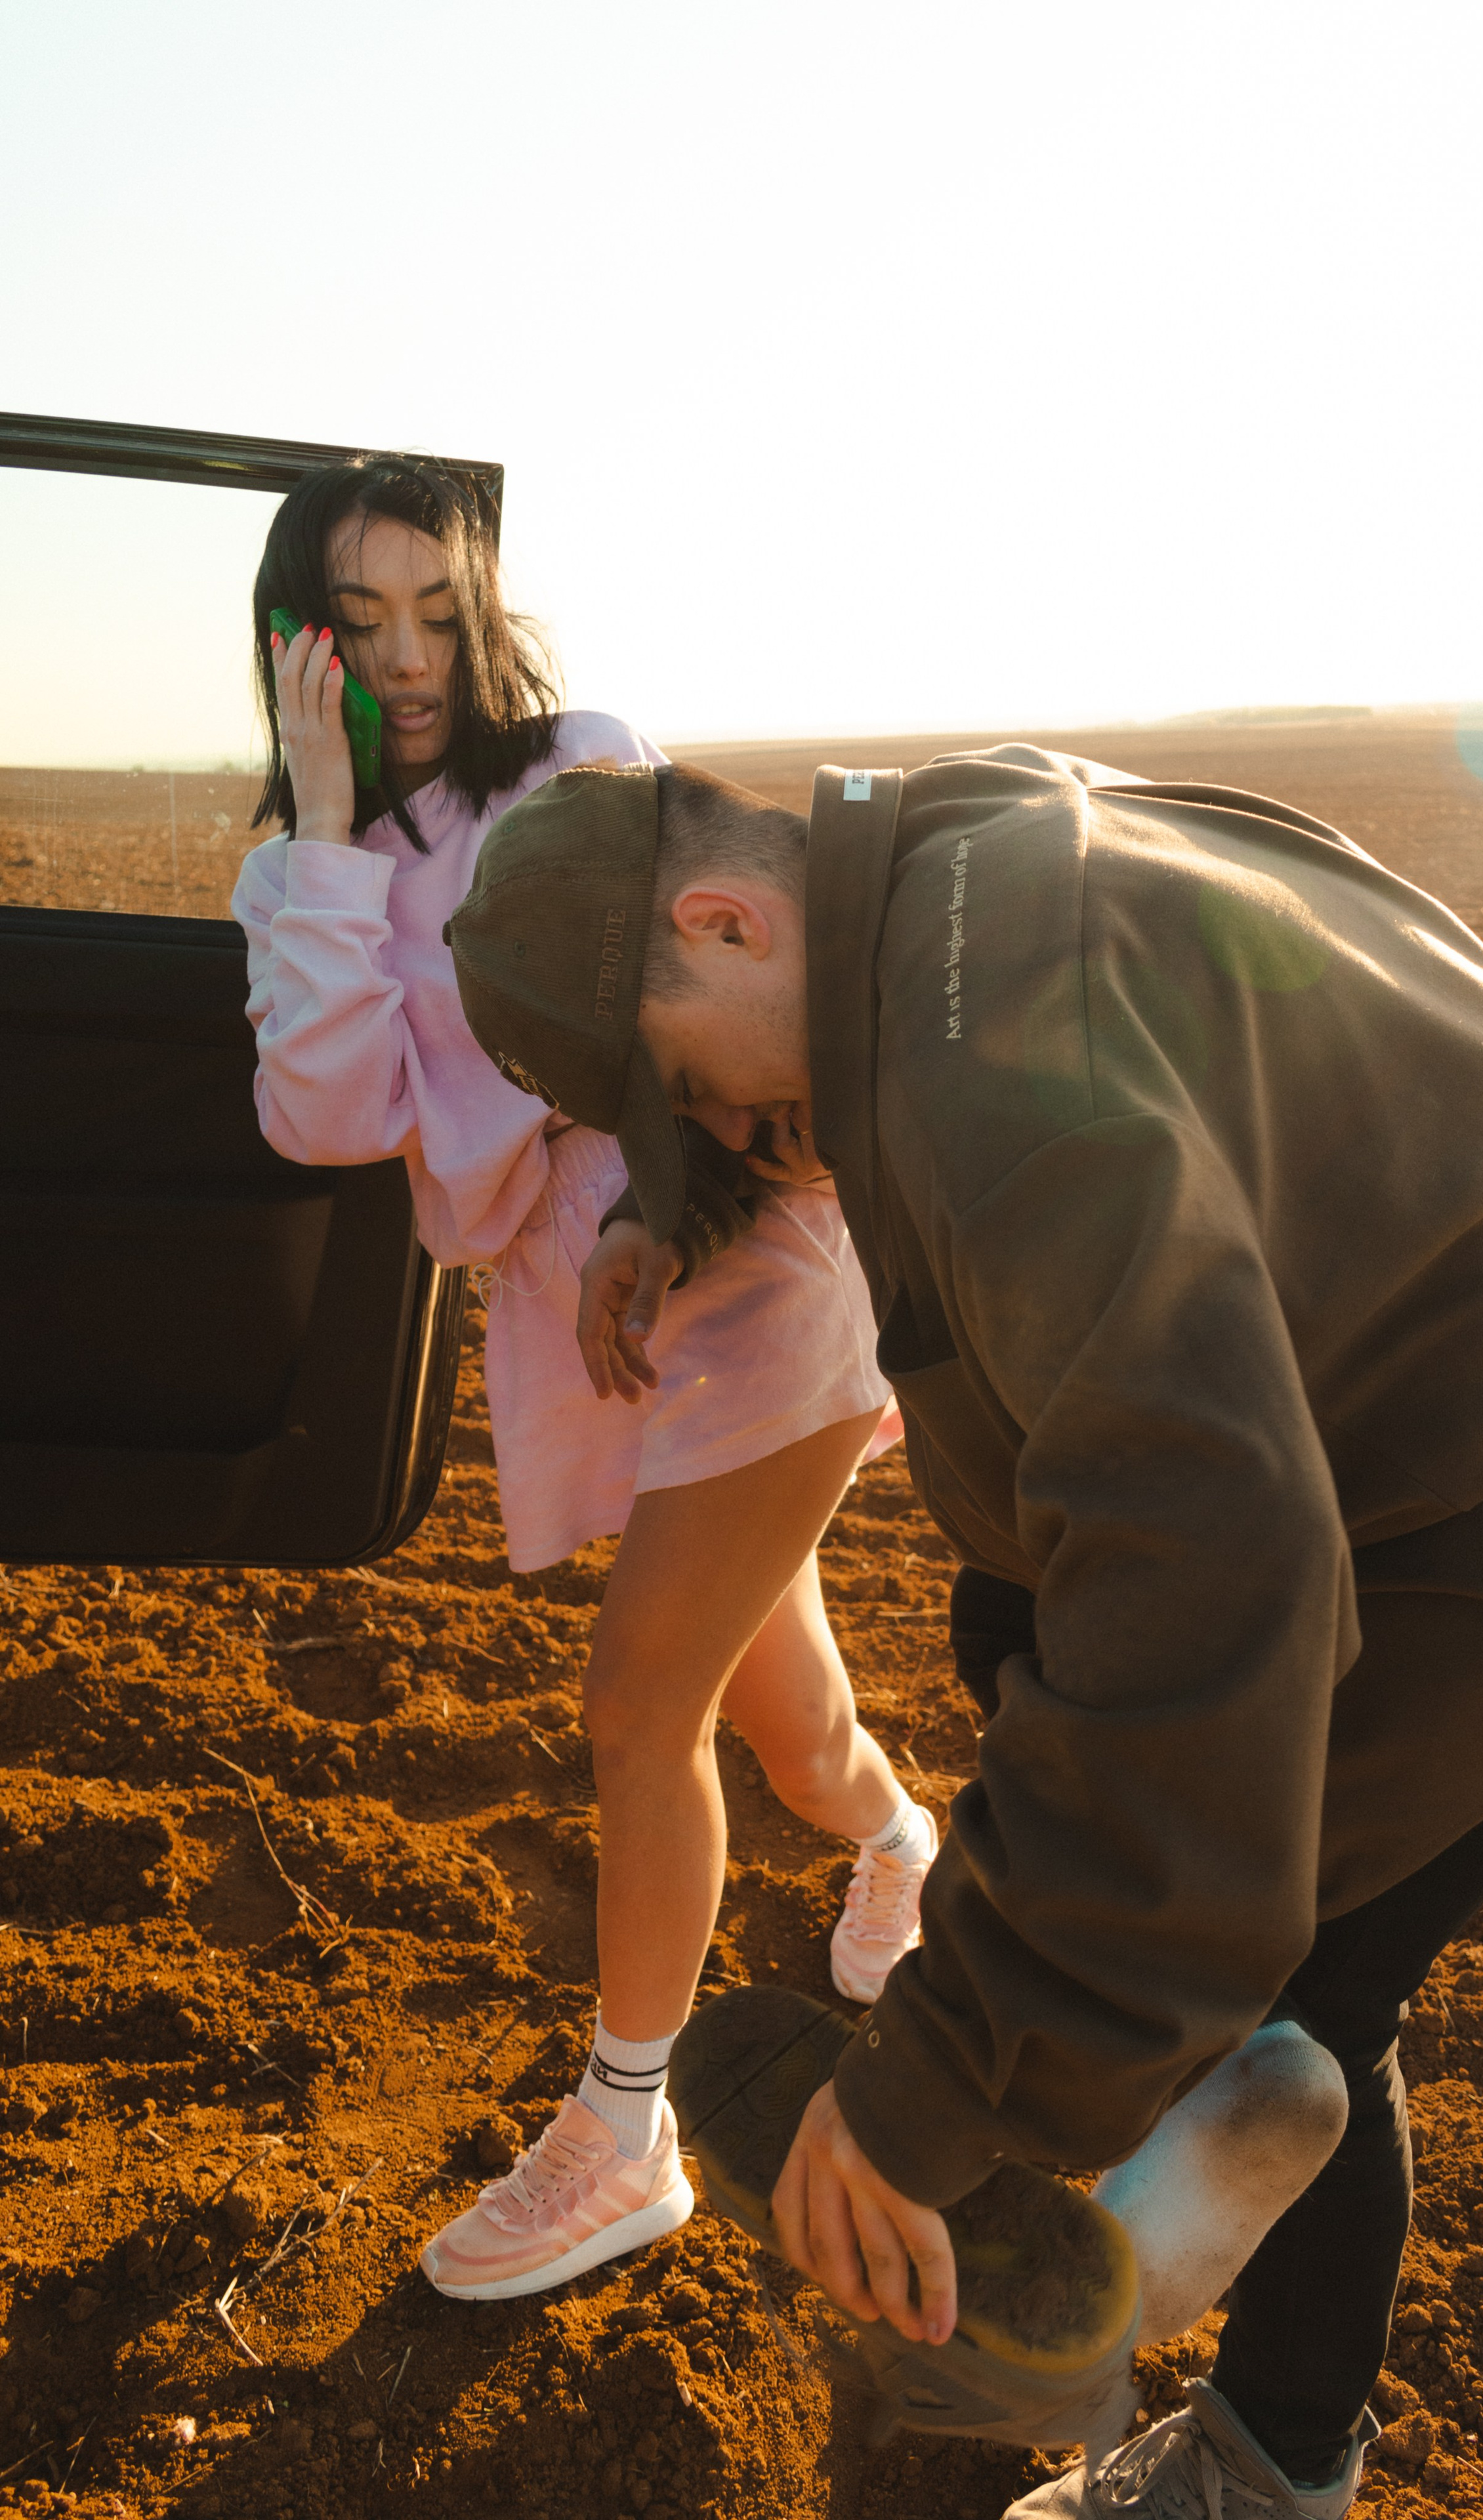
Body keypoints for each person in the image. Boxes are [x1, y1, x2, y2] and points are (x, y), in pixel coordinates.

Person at [445, 744, 1483, 2519]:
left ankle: (1220, 2378)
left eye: (688, 1093)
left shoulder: (992, 1079)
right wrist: (665, 1199)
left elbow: (1201, 1601)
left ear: (721, 919)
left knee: (1279, 1958)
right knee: (1041, 1655)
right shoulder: (968, 846)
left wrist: (929, 2090)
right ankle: (1224, 2201)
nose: (720, 1137)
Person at [230, 457, 939, 2303]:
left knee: (639, 1710)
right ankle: (895, 1839)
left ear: (483, 609)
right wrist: (321, 821)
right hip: (578, 1330)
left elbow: (725, 1031)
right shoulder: (305, 870)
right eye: (360, 623)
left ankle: (626, 2133)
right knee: (777, 1726)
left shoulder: (580, 764)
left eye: (438, 615)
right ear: (298, 639)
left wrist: (661, 1213)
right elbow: (324, 1112)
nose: (408, 660)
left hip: (734, 1254)